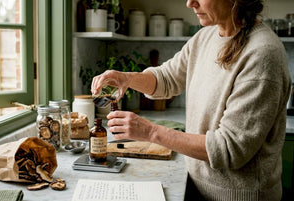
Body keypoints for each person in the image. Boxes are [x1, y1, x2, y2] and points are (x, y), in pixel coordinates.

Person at [91, 0, 291, 200]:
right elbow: (166, 79)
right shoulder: (206, 36)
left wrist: (150, 131)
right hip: (196, 187)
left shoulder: (263, 53)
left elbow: (229, 148)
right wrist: (127, 78)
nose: (190, 3)